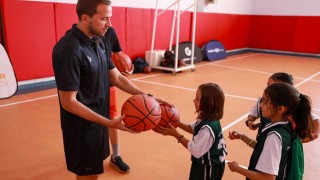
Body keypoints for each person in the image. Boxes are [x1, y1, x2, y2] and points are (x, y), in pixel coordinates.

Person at [52, 0, 166, 179]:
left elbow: (116, 77)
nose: (110, 24)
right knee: (88, 177)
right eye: (104, 19)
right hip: (82, 128)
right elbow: (68, 102)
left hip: (99, 122)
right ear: (85, 17)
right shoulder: (69, 50)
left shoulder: (99, 41)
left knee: (95, 173)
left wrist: (148, 97)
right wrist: (108, 123)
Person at [228, 82, 314, 180]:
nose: (260, 106)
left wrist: (236, 168)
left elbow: (267, 177)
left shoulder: (275, 136)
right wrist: (243, 137)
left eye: (264, 102)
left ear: (280, 109)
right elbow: (265, 150)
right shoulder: (286, 126)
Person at [159, 83, 227, 180]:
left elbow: (195, 150)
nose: (193, 100)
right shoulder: (209, 117)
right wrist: (175, 122)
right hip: (206, 163)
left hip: (208, 166)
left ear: (209, 103)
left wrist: (176, 135)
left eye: (197, 99)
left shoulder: (207, 129)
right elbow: (192, 128)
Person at [245, 72, 319, 142]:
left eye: (273, 86)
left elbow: (315, 120)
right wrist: (250, 120)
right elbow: (254, 112)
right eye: (268, 85)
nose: (268, 89)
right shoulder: (263, 101)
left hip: (282, 143)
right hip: (265, 137)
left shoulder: (293, 105)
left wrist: (310, 136)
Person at [102, 25, 131, 173]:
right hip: (90, 87)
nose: (107, 22)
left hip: (110, 83)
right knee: (89, 121)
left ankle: (115, 156)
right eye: (103, 17)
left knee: (113, 119)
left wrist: (126, 66)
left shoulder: (111, 32)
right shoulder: (82, 37)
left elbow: (118, 54)